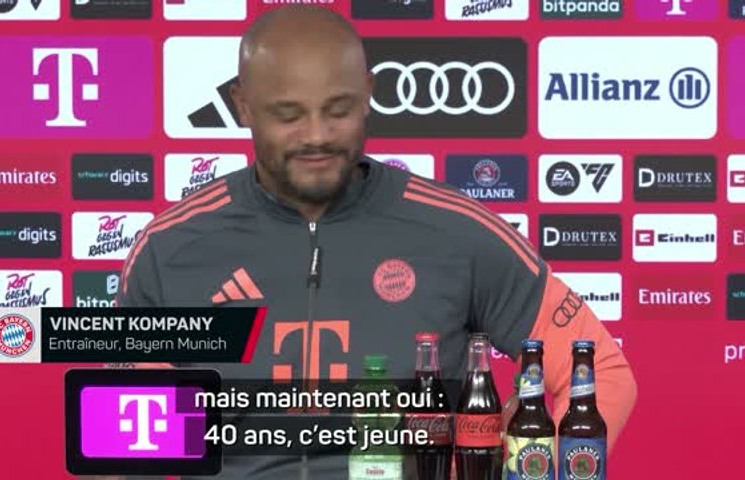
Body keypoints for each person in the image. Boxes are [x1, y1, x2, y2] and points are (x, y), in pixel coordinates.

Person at [114, 5, 637, 479]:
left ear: (368, 93)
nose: (316, 135)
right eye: (288, 115)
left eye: (338, 109)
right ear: (243, 105)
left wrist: (529, 469)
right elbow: (119, 444)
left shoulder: (457, 231)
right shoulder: (170, 248)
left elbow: (604, 373)